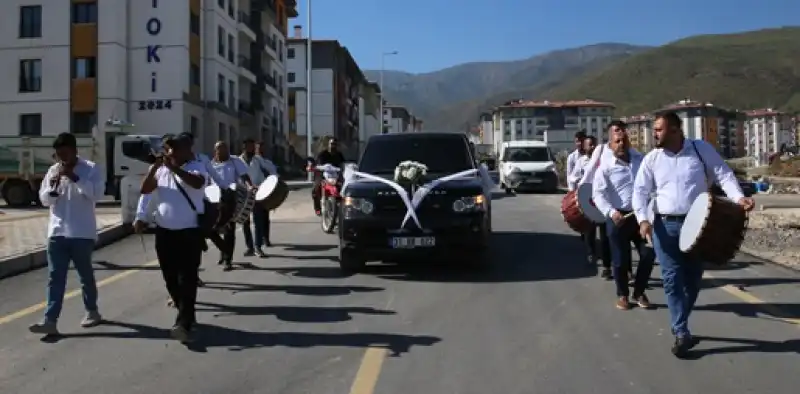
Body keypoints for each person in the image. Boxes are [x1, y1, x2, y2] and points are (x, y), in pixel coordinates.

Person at [632, 112, 755, 358]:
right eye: (654, 129)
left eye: (658, 129)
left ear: (675, 130)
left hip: (699, 226)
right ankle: (681, 332)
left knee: (692, 282)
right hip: (664, 226)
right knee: (671, 279)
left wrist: (738, 197)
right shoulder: (652, 159)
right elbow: (640, 191)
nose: (654, 133)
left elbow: (723, 173)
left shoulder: (699, 150)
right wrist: (642, 219)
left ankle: (680, 322)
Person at [29, 133, 104, 336]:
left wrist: (74, 177)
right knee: (55, 277)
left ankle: (92, 311)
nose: (62, 159)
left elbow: (97, 194)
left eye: (66, 154)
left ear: (75, 150)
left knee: (85, 275)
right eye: (59, 155)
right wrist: (53, 185)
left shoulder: (90, 169)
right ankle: (50, 320)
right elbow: (44, 199)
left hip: (81, 232)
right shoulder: (53, 170)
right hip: (57, 231)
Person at [134, 134, 207, 343]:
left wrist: (174, 168)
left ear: (186, 150)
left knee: (188, 278)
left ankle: (182, 323)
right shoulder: (160, 170)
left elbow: (197, 183)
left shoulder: (196, 166)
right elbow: (145, 190)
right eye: (168, 149)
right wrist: (155, 169)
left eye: (174, 149)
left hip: (189, 231)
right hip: (165, 231)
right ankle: (186, 314)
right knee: (170, 277)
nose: (170, 153)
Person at [593, 132, 654, 310]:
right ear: (610, 145)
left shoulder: (640, 161)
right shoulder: (605, 168)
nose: (621, 144)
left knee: (648, 255)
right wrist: (611, 212)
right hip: (618, 218)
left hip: (640, 217)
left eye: (624, 140)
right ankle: (623, 294)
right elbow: (598, 195)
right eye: (617, 141)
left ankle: (639, 291)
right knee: (619, 260)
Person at [578, 121, 635, 280]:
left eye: (622, 130)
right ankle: (607, 266)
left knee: (624, 238)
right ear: (609, 135)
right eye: (616, 130)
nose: (620, 133)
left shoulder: (630, 151)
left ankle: (627, 270)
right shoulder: (601, 149)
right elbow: (590, 171)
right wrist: (581, 192)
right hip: (603, 199)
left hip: (622, 201)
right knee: (605, 236)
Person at [210, 141, 254, 270]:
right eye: (221, 150)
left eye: (226, 149)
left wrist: (250, 186)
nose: (225, 152)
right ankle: (223, 250)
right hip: (214, 199)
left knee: (229, 230)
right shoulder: (210, 165)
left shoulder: (234, 161)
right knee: (212, 229)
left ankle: (228, 259)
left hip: (230, 198)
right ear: (216, 151)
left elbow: (244, 176)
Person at [567, 136, 603, 267]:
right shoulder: (581, 161)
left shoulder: (603, 161)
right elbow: (573, 178)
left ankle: (606, 261)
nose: (592, 147)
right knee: (590, 228)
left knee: (604, 231)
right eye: (590, 145)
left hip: (602, 199)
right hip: (587, 199)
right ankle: (591, 252)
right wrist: (573, 194)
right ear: (585, 147)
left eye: (594, 144)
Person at [240, 139, 277, 257]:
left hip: (258, 193)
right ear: (244, 147)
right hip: (244, 194)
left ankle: (258, 246)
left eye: (252, 146)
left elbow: (271, 172)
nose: (251, 149)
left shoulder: (258, 160)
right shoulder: (238, 161)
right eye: (248, 146)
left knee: (258, 221)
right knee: (245, 222)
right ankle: (249, 246)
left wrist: (267, 185)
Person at [310, 138, 345, 215]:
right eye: (331, 144)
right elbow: (319, 165)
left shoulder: (339, 155)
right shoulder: (323, 154)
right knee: (315, 189)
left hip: (335, 175)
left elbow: (343, 165)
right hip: (323, 174)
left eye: (335, 144)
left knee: (344, 187)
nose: (333, 146)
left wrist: (344, 171)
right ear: (328, 145)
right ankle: (318, 208)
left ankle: (343, 207)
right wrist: (315, 167)